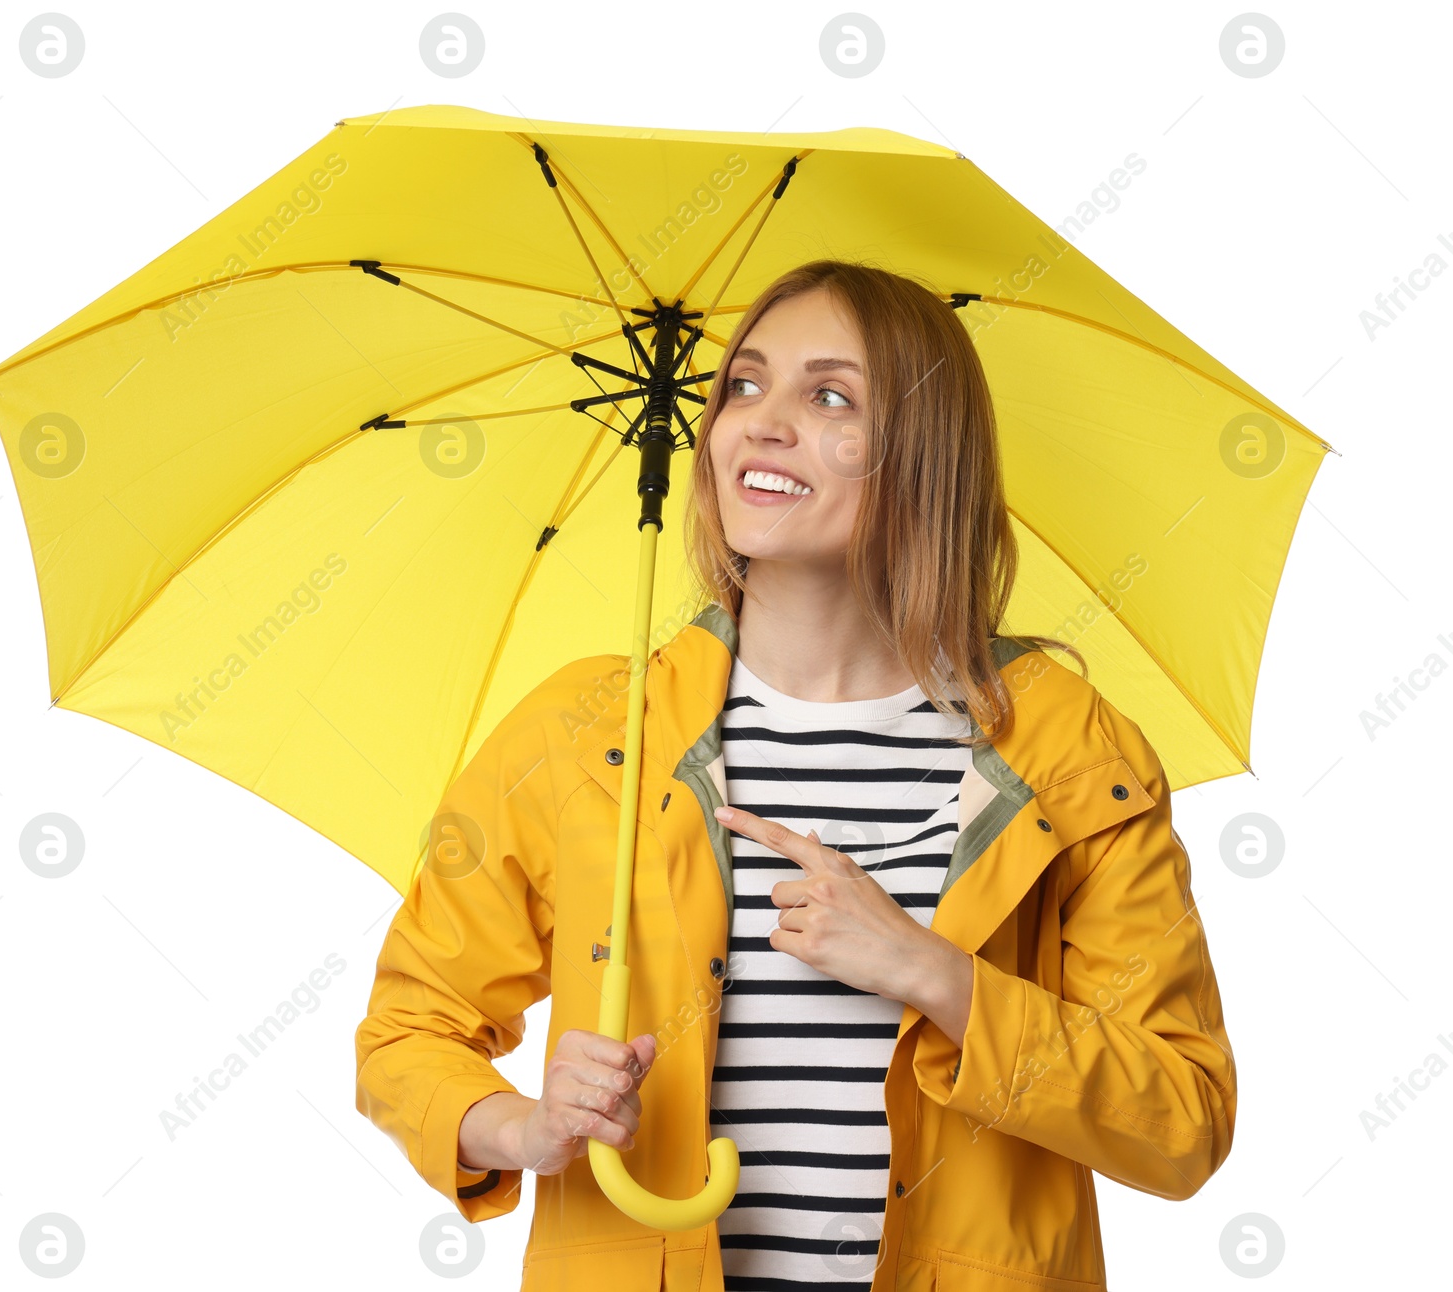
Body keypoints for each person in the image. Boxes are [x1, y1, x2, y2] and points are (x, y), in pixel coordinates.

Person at [355, 259, 1237, 1292]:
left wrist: (934, 975)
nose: (760, 422)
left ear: (924, 454)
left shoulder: (1065, 747)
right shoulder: (592, 731)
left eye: (828, 396)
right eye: (742, 384)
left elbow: (1180, 1118)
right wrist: (523, 1124)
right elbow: (409, 1032)